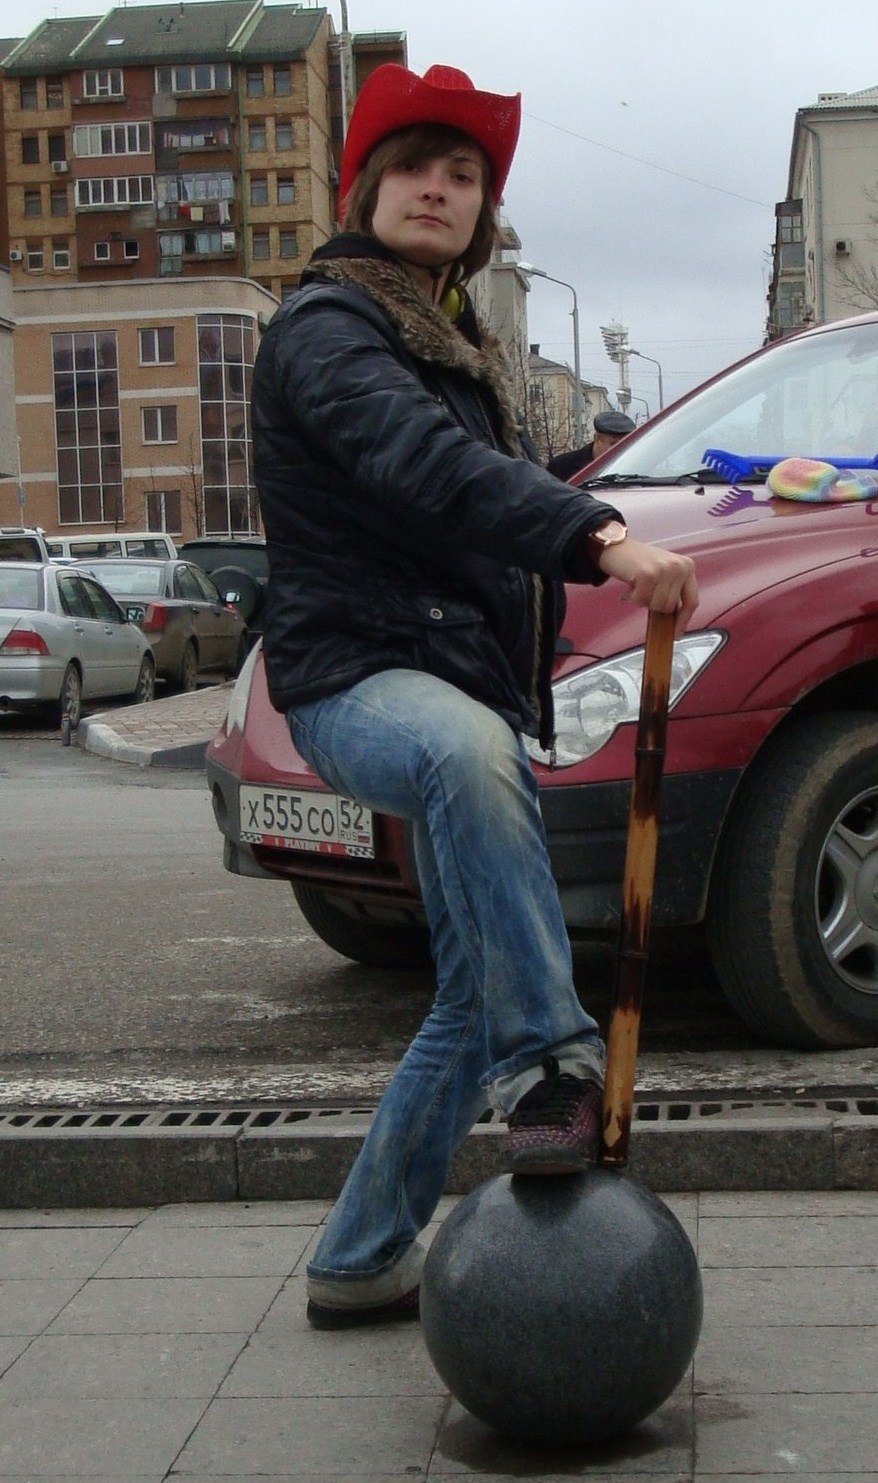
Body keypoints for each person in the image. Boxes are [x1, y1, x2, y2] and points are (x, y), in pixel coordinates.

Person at [251, 62, 698, 1330]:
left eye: (461, 177)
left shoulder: (454, 350)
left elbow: (499, 473)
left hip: (452, 677)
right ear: (365, 190)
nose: (436, 190)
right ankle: (549, 1067)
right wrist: (598, 539)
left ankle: (357, 1258)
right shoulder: (328, 328)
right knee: (462, 753)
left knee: (467, 985)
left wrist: (644, 472)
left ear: (481, 215)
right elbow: (419, 462)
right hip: (355, 683)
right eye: (412, 168)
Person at [547, 409, 636, 482]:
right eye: (613, 444)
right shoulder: (561, 466)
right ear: (597, 439)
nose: (620, 449)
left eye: (625, 443)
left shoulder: (636, 466)